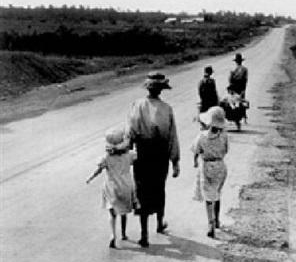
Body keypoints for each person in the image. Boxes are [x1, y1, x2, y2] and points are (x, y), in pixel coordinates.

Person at [126, 71, 180, 248]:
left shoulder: (137, 105)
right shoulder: (166, 109)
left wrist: (127, 153)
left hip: (142, 154)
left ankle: (144, 234)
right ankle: (159, 223)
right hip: (160, 154)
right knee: (158, 188)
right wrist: (175, 161)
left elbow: (130, 133)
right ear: (162, 89)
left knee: (142, 190)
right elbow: (172, 136)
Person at [86, 126, 137, 249]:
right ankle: (124, 234)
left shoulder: (106, 157)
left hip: (111, 187)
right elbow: (139, 159)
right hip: (125, 186)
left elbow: (98, 170)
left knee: (112, 213)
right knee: (124, 212)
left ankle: (113, 235)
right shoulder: (129, 155)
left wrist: (90, 178)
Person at [192, 106, 229, 238]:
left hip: (207, 166)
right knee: (217, 193)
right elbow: (226, 150)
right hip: (220, 166)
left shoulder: (202, 137)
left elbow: (195, 150)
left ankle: (210, 223)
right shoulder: (224, 136)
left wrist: (196, 160)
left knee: (208, 197)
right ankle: (217, 219)